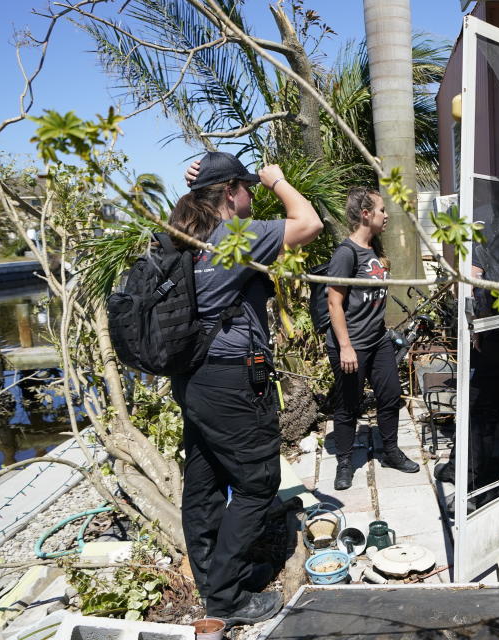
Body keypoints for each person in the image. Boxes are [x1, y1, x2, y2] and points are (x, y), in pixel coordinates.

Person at [170, 151, 322, 626]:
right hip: (231, 379)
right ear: (231, 193)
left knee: (205, 481)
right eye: (246, 187)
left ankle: (216, 580)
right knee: (258, 484)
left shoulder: (182, 234)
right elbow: (309, 223)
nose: (252, 195)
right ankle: (227, 601)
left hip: (192, 376)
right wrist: (275, 179)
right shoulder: (237, 236)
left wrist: (207, 179)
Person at [327, 187, 420, 490]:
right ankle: (344, 462)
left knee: (391, 395)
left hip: (378, 340)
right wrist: (345, 347)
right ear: (366, 214)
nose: (386, 215)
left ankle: (390, 451)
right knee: (348, 406)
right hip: (351, 344)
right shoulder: (346, 254)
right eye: (381, 210)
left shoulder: (374, 250)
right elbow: (334, 303)